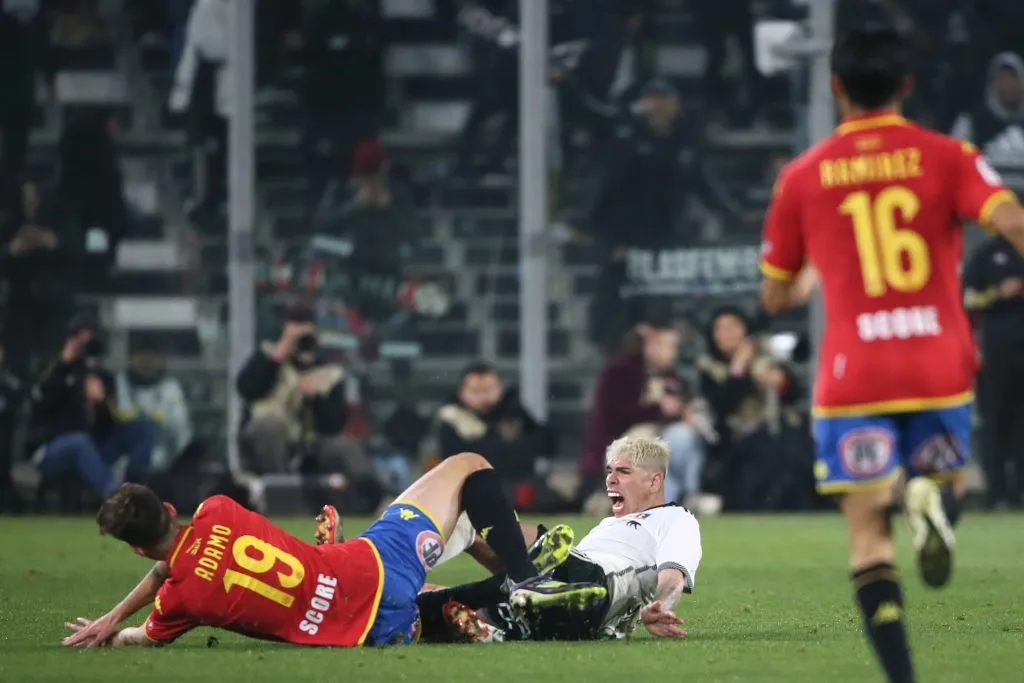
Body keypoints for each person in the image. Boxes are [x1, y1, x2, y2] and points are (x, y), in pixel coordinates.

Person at [758, 23, 1024, 683]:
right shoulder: (948, 155)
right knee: (950, 481)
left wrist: (815, 271)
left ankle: (903, 677)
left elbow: (774, 297)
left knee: (869, 539)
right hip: (938, 361)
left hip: (855, 373)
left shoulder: (802, 175)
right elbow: (1011, 219)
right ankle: (929, 495)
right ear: (907, 84)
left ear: (835, 86)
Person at [61, 453, 605, 649]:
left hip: (371, 630)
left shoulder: (180, 602)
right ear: (173, 509)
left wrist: (115, 625)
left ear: (135, 549)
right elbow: (183, 556)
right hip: (373, 563)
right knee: (468, 468)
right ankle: (528, 575)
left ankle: (494, 600)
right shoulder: (217, 509)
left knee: (433, 591)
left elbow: (162, 588)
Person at [317, 435, 701, 643]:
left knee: (469, 477)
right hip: (567, 596)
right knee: (424, 594)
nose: (610, 480)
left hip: (593, 587)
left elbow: (672, 575)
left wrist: (661, 606)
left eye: (624, 472)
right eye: (609, 471)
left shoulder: (675, 518)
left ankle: (359, 560)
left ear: (655, 481)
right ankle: (365, 590)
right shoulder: (608, 526)